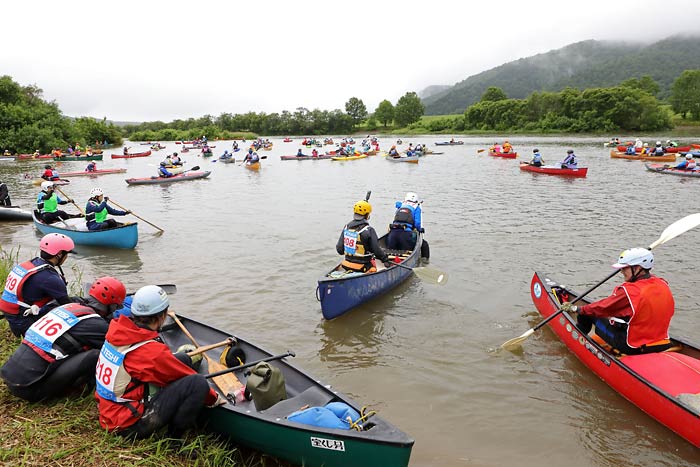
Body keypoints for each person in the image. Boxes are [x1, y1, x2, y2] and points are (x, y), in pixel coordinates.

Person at [95, 285, 220, 439]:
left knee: (177, 360)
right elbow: (184, 375)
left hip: (108, 411)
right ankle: (174, 440)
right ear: (162, 316)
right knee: (197, 382)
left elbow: (158, 362)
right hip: (127, 425)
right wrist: (214, 399)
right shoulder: (150, 353)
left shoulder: (116, 332)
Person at [0, 277, 125, 402]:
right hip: (32, 389)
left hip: (12, 376)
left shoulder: (69, 307)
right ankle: (76, 391)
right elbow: (119, 348)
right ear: (112, 306)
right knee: (96, 355)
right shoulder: (95, 324)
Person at [561, 248, 675, 355]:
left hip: (631, 347)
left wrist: (576, 309)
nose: (621, 271)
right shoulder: (662, 284)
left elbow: (603, 308)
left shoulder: (629, 292)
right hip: (662, 342)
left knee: (587, 312)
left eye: (624, 268)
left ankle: (577, 339)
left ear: (637, 268)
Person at [0, 234, 76, 337]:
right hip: (23, 322)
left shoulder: (32, 264)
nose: (66, 257)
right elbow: (68, 306)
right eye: (66, 254)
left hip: (13, 315)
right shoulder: (50, 278)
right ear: (59, 254)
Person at [335, 200, 391, 273]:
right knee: (374, 265)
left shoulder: (346, 228)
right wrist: (385, 260)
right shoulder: (368, 230)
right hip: (363, 266)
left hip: (346, 265)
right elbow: (376, 250)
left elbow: (340, 250)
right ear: (367, 215)